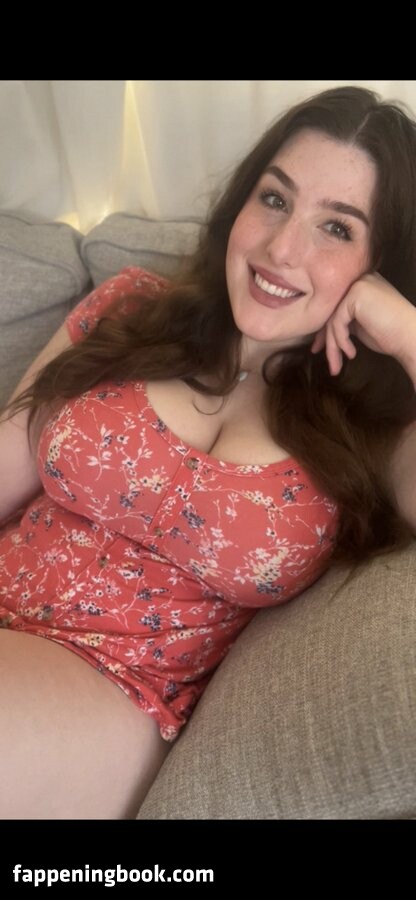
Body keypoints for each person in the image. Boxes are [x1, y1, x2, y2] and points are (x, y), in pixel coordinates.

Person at [1, 84, 416, 819]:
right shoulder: (130, 306)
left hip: (112, 688)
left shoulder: (373, 428)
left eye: (337, 228)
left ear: (381, 264)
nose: (282, 249)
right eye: (275, 199)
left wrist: (410, 334)